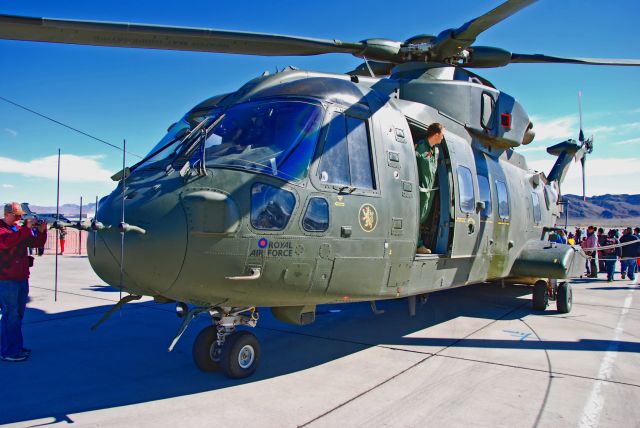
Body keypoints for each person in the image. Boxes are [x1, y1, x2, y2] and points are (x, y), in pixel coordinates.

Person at [0, 202, 47, 362]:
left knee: (17, 315)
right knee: (10, 314)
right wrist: (26, 229)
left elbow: (35, 243)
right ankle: (8, 351)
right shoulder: (2, 230)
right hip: (6, 280)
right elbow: (6, 243)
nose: (20, 218)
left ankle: (15, 347)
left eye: (21, 216)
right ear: (7, 214)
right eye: (17, 215)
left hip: (21, 278)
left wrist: (41, 232)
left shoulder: (19, 230)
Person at [415, 123, 445, 254]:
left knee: (422, 218)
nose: (442, 138)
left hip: (429, 192)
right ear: (437, 134)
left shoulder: (436, 151)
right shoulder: (420, 146)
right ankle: (417, 245)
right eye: (442, 135)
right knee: (417, 218)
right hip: (419, 190)